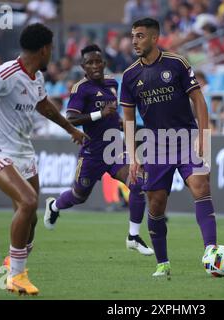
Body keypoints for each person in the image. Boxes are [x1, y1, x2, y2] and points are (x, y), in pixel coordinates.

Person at [0, 23, 89, 296]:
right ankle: (16, 276)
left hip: (24, 153)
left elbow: (43, 106)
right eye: (51, 48)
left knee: (30, 220)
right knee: (28, 202)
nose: (52, 53)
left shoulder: (35, 77)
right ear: (44, 49)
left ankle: (11, 261)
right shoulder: (4, 74)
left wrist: (71, 130)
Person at [120, 18, 217, 278]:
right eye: (133, 36)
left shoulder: (177, 64)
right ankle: (162, 262)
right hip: (155, 145)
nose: (135, 41)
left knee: (201, 186)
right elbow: (128, 119)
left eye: (140, 36)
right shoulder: (129, 76)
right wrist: (133, 156)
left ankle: (211, 250)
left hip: (186, 138)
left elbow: (198, 100)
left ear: (154, 38)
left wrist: (203, 135)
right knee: (157, 203)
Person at [43, 44, 154, 256]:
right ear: (83, 67)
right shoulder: (80, 89)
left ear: (104, 63)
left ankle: (133, 236)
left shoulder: (113, 84)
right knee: (78, 195)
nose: (95, 66)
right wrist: (99, 114)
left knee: (137, 184)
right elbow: (72, 118)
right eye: (90, 63)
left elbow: (113, 115)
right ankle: (54, 206)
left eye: (98, 61)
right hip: (91, 154)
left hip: (114, 149)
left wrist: (124, 124)